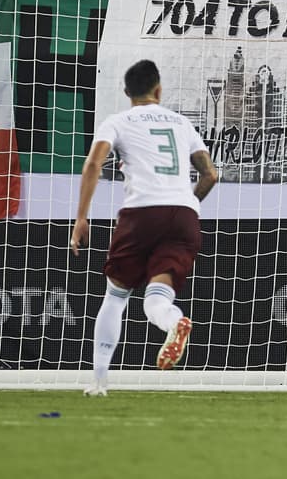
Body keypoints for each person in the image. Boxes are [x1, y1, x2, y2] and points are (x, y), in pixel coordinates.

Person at [70, 59, 219, 395]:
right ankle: (174, 321)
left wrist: (81, 217)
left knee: (116, 295)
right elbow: (210, 173)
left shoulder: (118, 121)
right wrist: (190, 204)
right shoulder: (181, 123)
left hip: (141, 213)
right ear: (159, 89)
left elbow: (94, 162)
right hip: (183, 216)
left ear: (127, 92)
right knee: (156, 300)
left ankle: (99, 382)